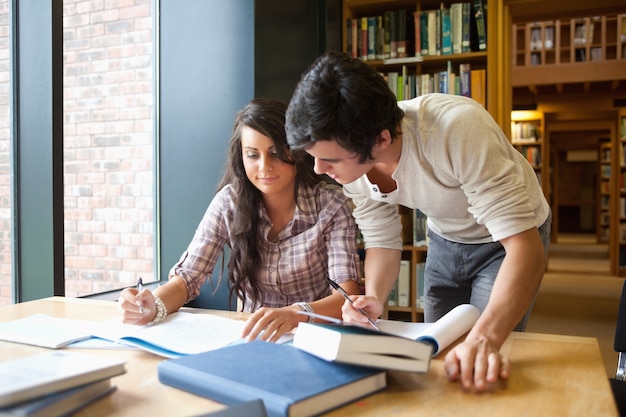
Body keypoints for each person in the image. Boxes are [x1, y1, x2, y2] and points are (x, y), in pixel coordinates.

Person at [285, 51, 551, 392]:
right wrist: (376, 298)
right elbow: (381, 237)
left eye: (329, 159)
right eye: (313, 157)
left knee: (483, 352)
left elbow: (523, 248)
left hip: (508, 242)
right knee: (437, 352)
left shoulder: (457, 128)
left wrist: (486, 338)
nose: (320, 169)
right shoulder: (349, 158)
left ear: (381, 140)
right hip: (444, 234)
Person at [118, 97, 361, 343]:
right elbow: (187, 279)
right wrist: (153, 305)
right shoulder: (229, 203)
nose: (264, 166)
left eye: (276, 152)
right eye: (253, 155)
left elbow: (346, 297)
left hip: (316, 338)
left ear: (296, 151)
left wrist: (296, 314)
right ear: (241, 157)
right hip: (251, 340)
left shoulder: (331, 205)